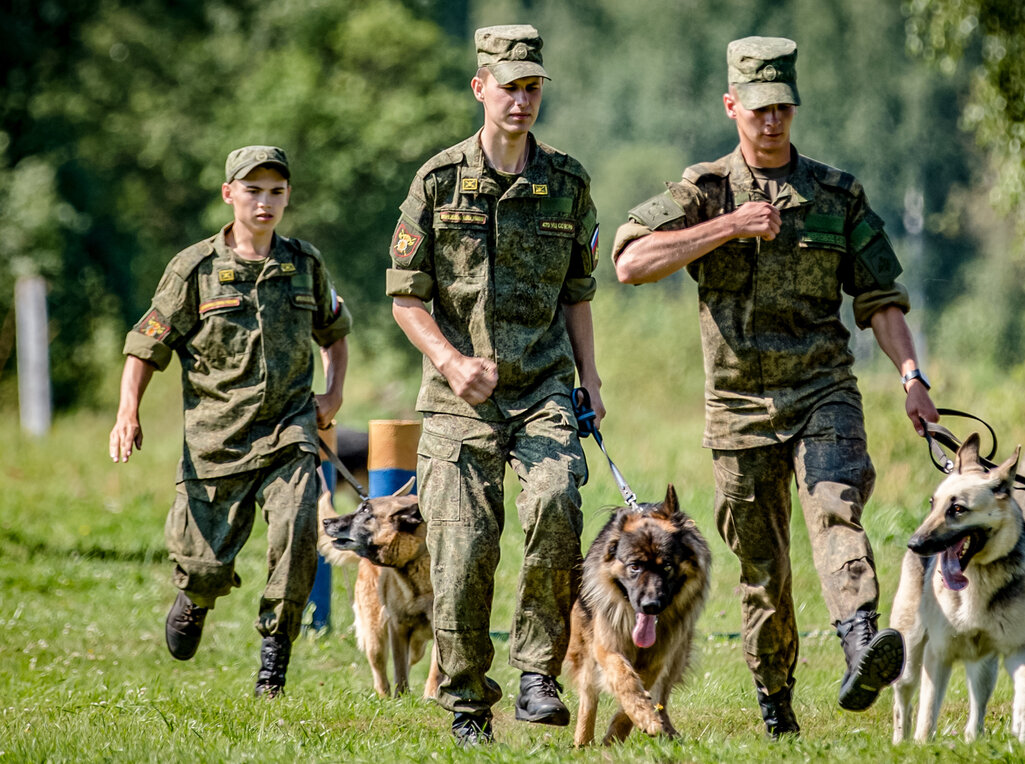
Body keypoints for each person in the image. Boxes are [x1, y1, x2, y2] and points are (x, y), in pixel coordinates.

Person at [611, 37, 939, 736]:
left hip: (822, 390)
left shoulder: (837, 195)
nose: (771, 121)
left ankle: (860, 646)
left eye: (782, 108)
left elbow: (880, 298)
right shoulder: (703, 191)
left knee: (836, 509)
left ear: (795, 107)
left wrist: (912, 376)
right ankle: (776, 702)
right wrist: (728, 226)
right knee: (764, 570)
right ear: (733, 107)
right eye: (758, 109)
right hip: (738, 411)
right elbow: (630, 261)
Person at [386, 25, 603, 747]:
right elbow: (405, 298)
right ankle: (469, 701)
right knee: (463, 546)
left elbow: (578, 291)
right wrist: (450, 362)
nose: (521, 99)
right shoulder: (437, 181)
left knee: (556, 500)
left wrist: (590, 379)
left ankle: (538, 671)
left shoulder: (567, 182)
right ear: (480, 87)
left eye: (532, 86)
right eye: (509, 86)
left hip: (542, 383)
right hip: (457, 398)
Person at [109, 145, 351, 698]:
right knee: (204, 564)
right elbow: (145, 346)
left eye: (275, 191)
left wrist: (333, 392)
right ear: (229, 194)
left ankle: (273, 664)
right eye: (253, 190)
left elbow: (334, 333)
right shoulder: (193, 269)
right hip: (216, 441)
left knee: (297, 536)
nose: (265, 202)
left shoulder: (304, 264)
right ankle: (195, 598)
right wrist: (128, 412)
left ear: (287, 196)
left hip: (289, 432)